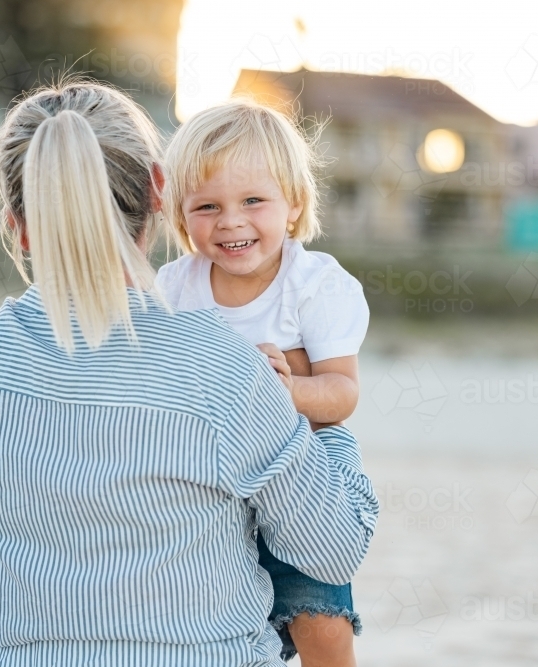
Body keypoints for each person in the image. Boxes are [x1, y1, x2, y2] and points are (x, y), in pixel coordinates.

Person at [0, 80, 379, 666]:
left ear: (17, 224)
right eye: (213, 205)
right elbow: (332, 551)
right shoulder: (222, 362)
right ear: (160, 192)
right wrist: (311, 422)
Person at [156, 99, 369, 666]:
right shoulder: (175, 287)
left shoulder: (314, 284)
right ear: (180, 216)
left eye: (254, 200)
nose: (231, 221)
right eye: (207, 206)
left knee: (316, 611)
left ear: (294, 205)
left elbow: (341, 395)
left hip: (301, 456)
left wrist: (287, 390)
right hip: (210, 464)